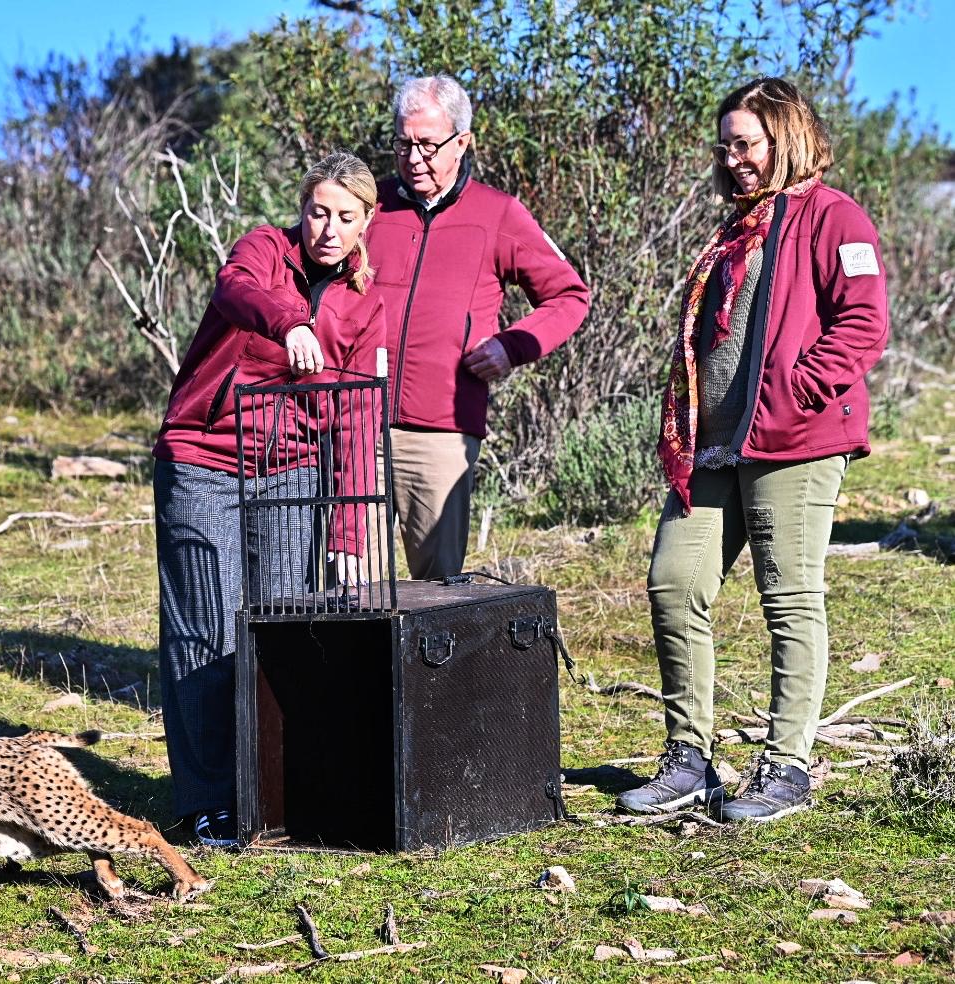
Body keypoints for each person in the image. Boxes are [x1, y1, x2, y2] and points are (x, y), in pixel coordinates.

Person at [618, 77, 889, 822]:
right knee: (675, 582)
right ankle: (689, 760)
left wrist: (800, 391)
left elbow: (864, 324)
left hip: (793, 440)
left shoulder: (836, 217)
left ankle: (786, 767)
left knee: (789, 598)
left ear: (786, 138)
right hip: (716, 446)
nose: (734, 158)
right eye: (726, 145)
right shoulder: (739, 229)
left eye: (747, 144)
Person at [153, 152, 386, 848]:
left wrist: (346, 536)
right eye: (318, 212)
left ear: (368, 221)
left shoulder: (368, 299)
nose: (328, 230)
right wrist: (290, 323)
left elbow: (354, 419)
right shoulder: (262, 250)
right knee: (207, 630)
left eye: (346, 217)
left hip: (290, 471)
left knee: (278, 634)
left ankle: (273, 794)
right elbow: (236, 289)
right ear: (302, 209)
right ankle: (208, 801)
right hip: (204, 459)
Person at [365, 74, 590, 580]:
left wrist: (511, 348)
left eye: (428, 144)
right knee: (352, 592)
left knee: (437, 588)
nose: (413, 157)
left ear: (462, 141)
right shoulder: (368, 206)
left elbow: (570, 296)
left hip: (442, 433)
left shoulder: (499, 214)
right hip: (356, 424)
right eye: (403, 142)